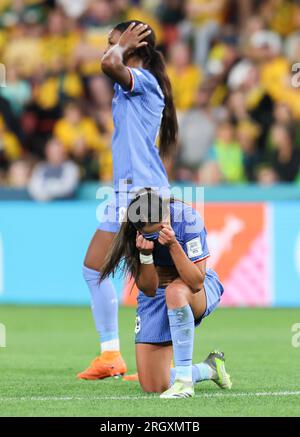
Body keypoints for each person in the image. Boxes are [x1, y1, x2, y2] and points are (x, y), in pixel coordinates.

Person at [77, 21, 178, 379]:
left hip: (145, 192)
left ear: (130, 44)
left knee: (157, 279)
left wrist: (118, 48)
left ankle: (177, 363)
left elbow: (108, 63)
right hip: (125, 192)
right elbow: (109, 65)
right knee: (97, 269)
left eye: (113, 41)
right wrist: (120, 46)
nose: (108, 47)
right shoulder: (129, 84)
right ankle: (110, 356)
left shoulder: (144, 81)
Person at [101, 189, 232, 398]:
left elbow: (197, 281)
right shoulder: (133, 234)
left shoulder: (188, 220)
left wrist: (172, 245)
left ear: (165, 214)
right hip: (157, 294)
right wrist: (145, 255)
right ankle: (209, 368)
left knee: (175, 292)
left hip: (196, 289)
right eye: (153, 234)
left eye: (163, 225)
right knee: (153, 385)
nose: (160, 233)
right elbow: (149, 289)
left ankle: (183, 382)